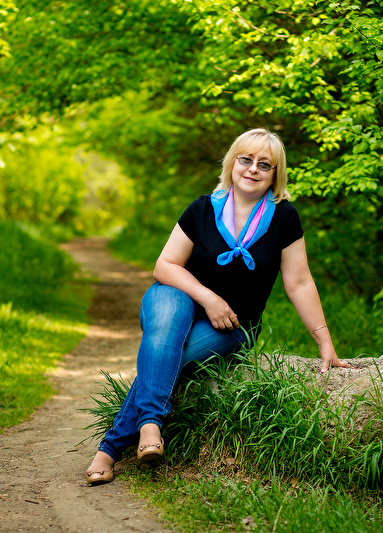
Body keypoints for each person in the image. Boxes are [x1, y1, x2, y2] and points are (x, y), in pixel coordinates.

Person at [85, 128, 352, 485]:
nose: (253, 169)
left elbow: (300, 282)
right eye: (246, 159)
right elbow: (165, 266)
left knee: (171, 357)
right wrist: (209, 298)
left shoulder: (284, 217)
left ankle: (110, 448)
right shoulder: (202, 208)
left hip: (234, 325)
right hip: (178, 297)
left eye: (264, 164)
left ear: (276, 173)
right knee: (164, 333)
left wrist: (325, 342)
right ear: (232, 162)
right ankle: (148, 427)